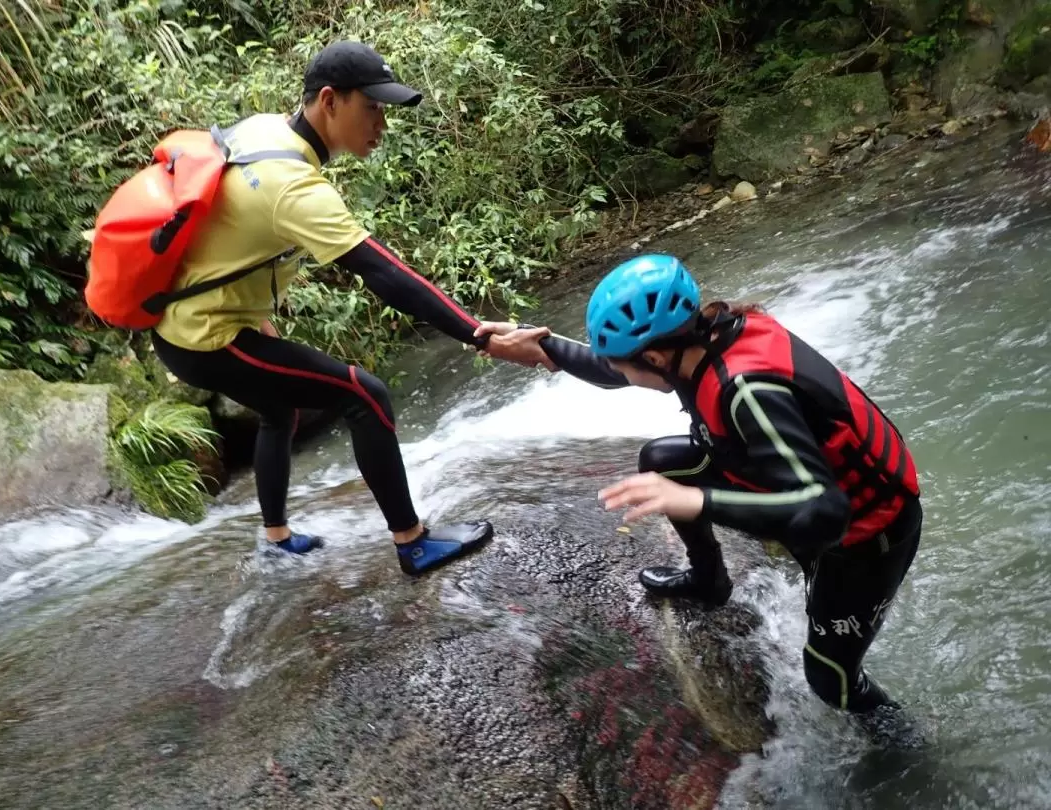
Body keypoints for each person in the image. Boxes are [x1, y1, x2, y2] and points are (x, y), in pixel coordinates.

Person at [149, 40, 552, 572]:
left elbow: (228, 228)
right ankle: (413, 542)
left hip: (184, 322)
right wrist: (479, 334)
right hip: (206, 338)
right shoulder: (292, 186)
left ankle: (275, 538)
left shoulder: (264, 130)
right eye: (372, 107)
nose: (380, 124)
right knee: (365, 393)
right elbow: (385, 273)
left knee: (277, 407)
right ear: (329, 101)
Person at [475, 253, 923, 728]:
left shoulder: (747, 390)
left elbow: (826, 511)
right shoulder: (703, 338)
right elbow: (616, 370)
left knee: (830, 678)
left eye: (629, 365)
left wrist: (698, 501)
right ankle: (709, 581)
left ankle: (905, 746)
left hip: (864, 537)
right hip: (788, 488)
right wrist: (544, 347)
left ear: (655, 357)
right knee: (662, 464)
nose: (621, 375)